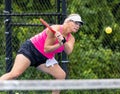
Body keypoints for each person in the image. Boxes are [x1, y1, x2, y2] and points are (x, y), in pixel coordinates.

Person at [0, 13, 83, 94]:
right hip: (31, 49)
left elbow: (68, 51)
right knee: (14, 74)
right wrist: (59, 44)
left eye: (79, 24)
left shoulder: (71, 38)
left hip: (45, 58)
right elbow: (46, 49)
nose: (78, 26)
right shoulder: (55, 29)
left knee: (61, 75)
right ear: (68, 22)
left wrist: (63, 41)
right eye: (76, 23)